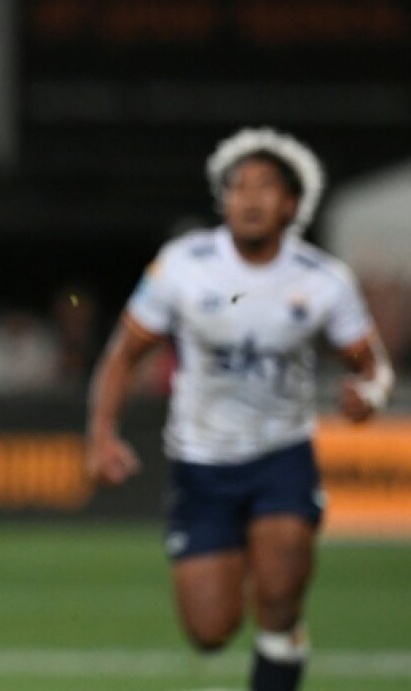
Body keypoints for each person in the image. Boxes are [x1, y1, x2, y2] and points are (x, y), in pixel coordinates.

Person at [85, 127, 395, 691]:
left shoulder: (324, 280)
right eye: (238, 186)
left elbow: (374, 366)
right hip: (201, 463)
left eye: (265, 186)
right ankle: (258, 578)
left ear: (292, 204)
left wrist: (369, 395)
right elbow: (123, 353)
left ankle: (281, 619)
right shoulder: (183, 265)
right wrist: (102, 435)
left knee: (277, 609)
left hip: (281, 457)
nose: (250, 197)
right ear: (223, 199)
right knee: (210, 631)